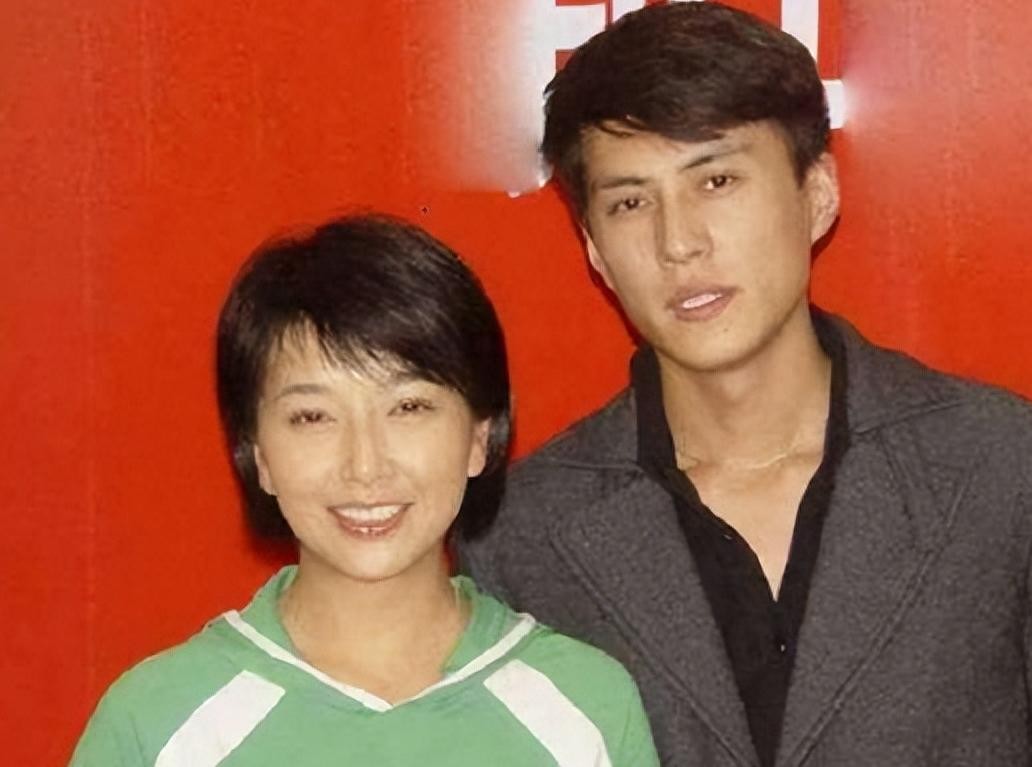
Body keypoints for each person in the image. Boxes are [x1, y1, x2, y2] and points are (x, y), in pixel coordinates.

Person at [460, 3, 1032, 766]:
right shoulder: (521, 536)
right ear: (595, 250)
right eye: (630, 202)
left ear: (817, 193)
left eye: (717, 179)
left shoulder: (1014, 475)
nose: (678, 241)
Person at [70, 214, 658, 766]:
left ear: (481, 436)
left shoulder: (586, 709)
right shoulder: (158, 724)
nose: (364, 466)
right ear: (258, 455)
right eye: (313, 417)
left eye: (408, 407)